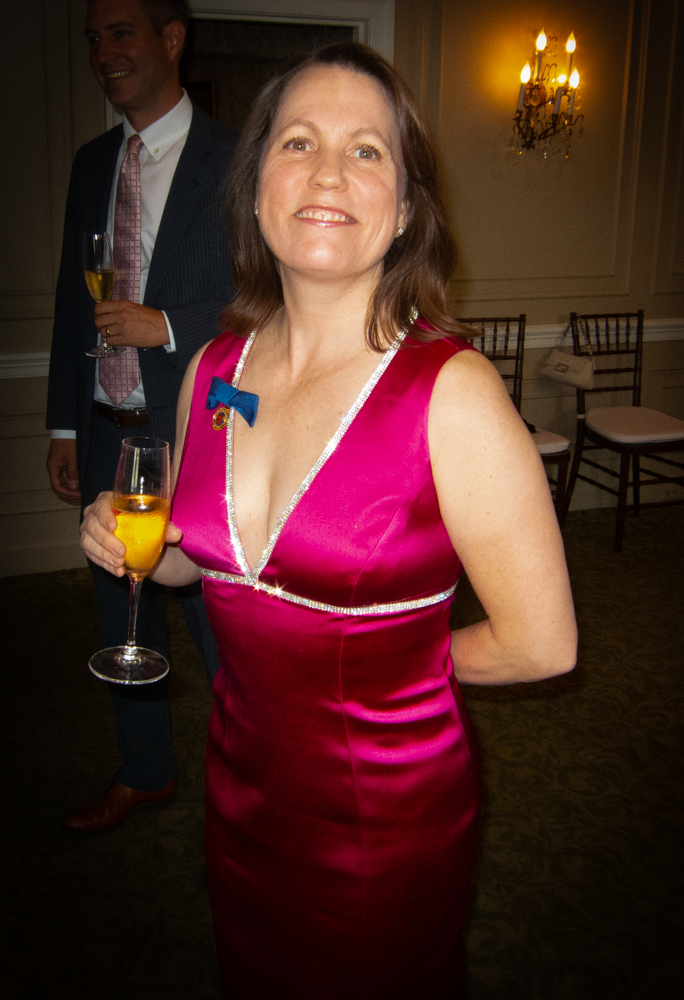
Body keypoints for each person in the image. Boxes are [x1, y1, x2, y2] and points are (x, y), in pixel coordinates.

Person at [82, 41, 577, 997]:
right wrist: (130, 542)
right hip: (239, 798)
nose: (327, 172)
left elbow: (543, 644)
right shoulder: (211, 370)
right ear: (256, 186)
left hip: (379, 828)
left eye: (367, 151)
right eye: (299, 142)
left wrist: (397, 674)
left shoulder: (453, 393)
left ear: (406, 209)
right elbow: (195, 560)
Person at [46, 0, 238, 830]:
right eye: (95, 38)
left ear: (171, 38)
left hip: (194, 433)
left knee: (215, 620)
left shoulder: (237, 159)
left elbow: (270, 300)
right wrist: (64, 424)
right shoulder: (93, 163)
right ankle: (146, 769)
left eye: (121, 32)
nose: (104, 52)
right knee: (120, 617)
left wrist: (167, 325)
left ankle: (257, 774)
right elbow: (72, 301)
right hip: (106, 434)